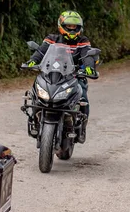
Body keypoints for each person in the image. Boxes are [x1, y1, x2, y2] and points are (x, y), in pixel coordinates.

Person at [27, 10, 98, 142]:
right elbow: (41, 51)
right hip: (51, 75)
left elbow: (87, 54)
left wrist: (89, 67)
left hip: (75, 77)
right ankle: (35, 119)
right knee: (35, 93)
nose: (72, 29)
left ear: (79, 27)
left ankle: (80, 127)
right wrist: (32, 61)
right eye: (69, 26)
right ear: (61, 25)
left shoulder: (82, 41)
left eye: (74, 26)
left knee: (83, 98)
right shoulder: (52, 39)